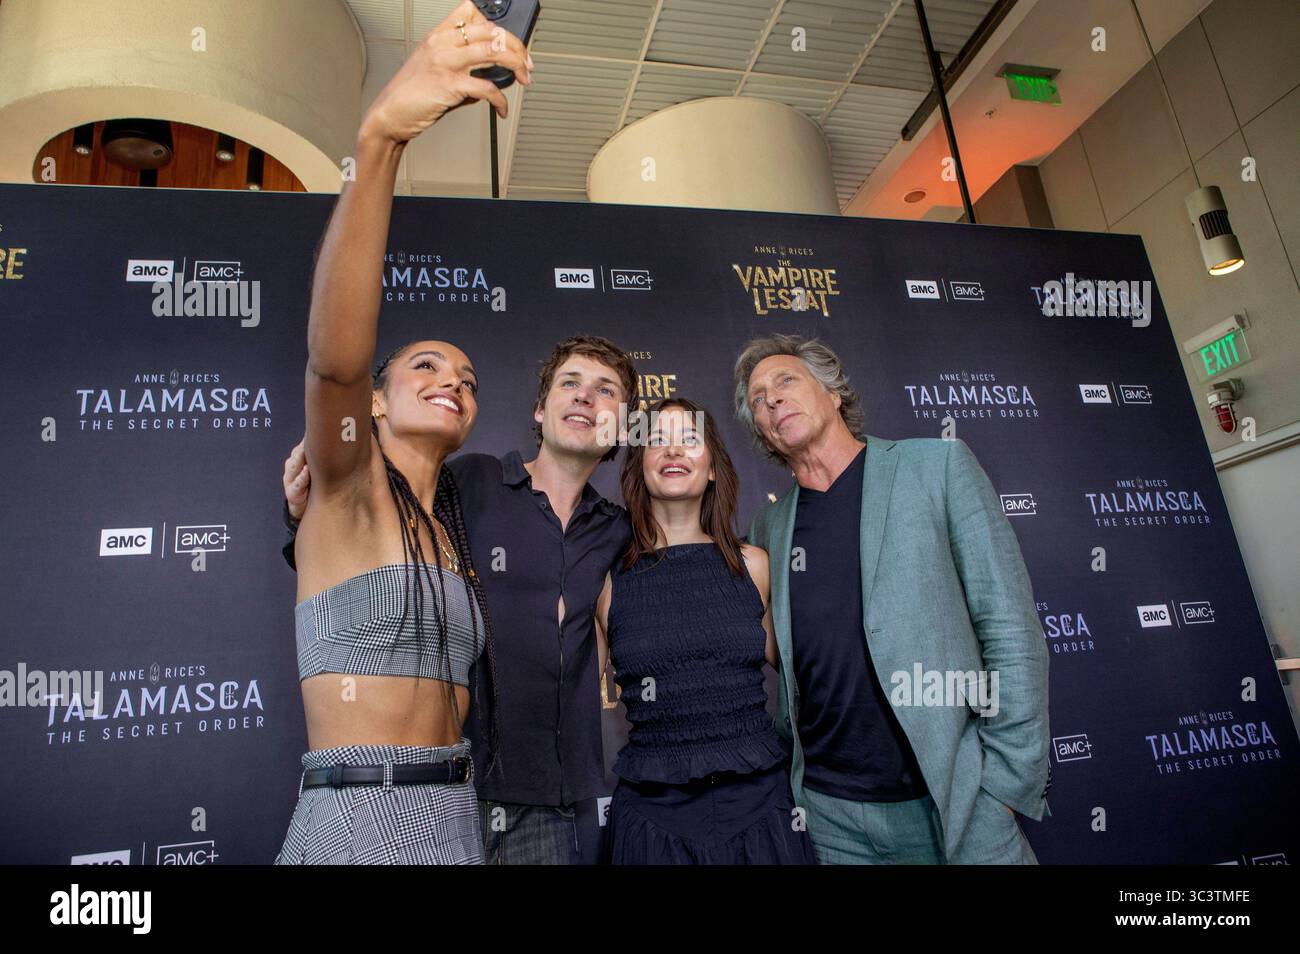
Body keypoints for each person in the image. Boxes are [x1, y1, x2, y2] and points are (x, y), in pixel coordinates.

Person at [274, 2, 532, 864]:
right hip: (360, 820)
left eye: (465, 377)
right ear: (376, 403)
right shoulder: (343, 488)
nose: (451, 382)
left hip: (455, 813)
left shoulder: (448, 527)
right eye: (423, 366)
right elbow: (334, 365)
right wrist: (381, 140)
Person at [284, 333, 637, 864]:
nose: (586, 397)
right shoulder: (469, 482)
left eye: (606, 390)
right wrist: (300, 516)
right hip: (450, 785)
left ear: (622, 427)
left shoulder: (618, 531)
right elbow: (373, 535)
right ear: (540, 410)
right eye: (571, 383)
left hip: (550, 801)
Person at [736, 334, 1050, 864]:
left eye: (785, 380)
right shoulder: (769, 526)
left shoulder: (938, 467)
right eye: (758, 398)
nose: (771, 399)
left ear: (833, 392)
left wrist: (1004, 785)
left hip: (955, 799)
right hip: (832, 817)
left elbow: (1011, 629)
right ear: (763, 434)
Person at [594, 398, 816, 864]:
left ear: (713, 467)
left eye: (689, 440)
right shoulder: (607, 581)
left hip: (761, 810)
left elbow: (809, 674)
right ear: (639, 466)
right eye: (657, 440)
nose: (673, 451)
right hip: (653, 818)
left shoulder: (754, 565)